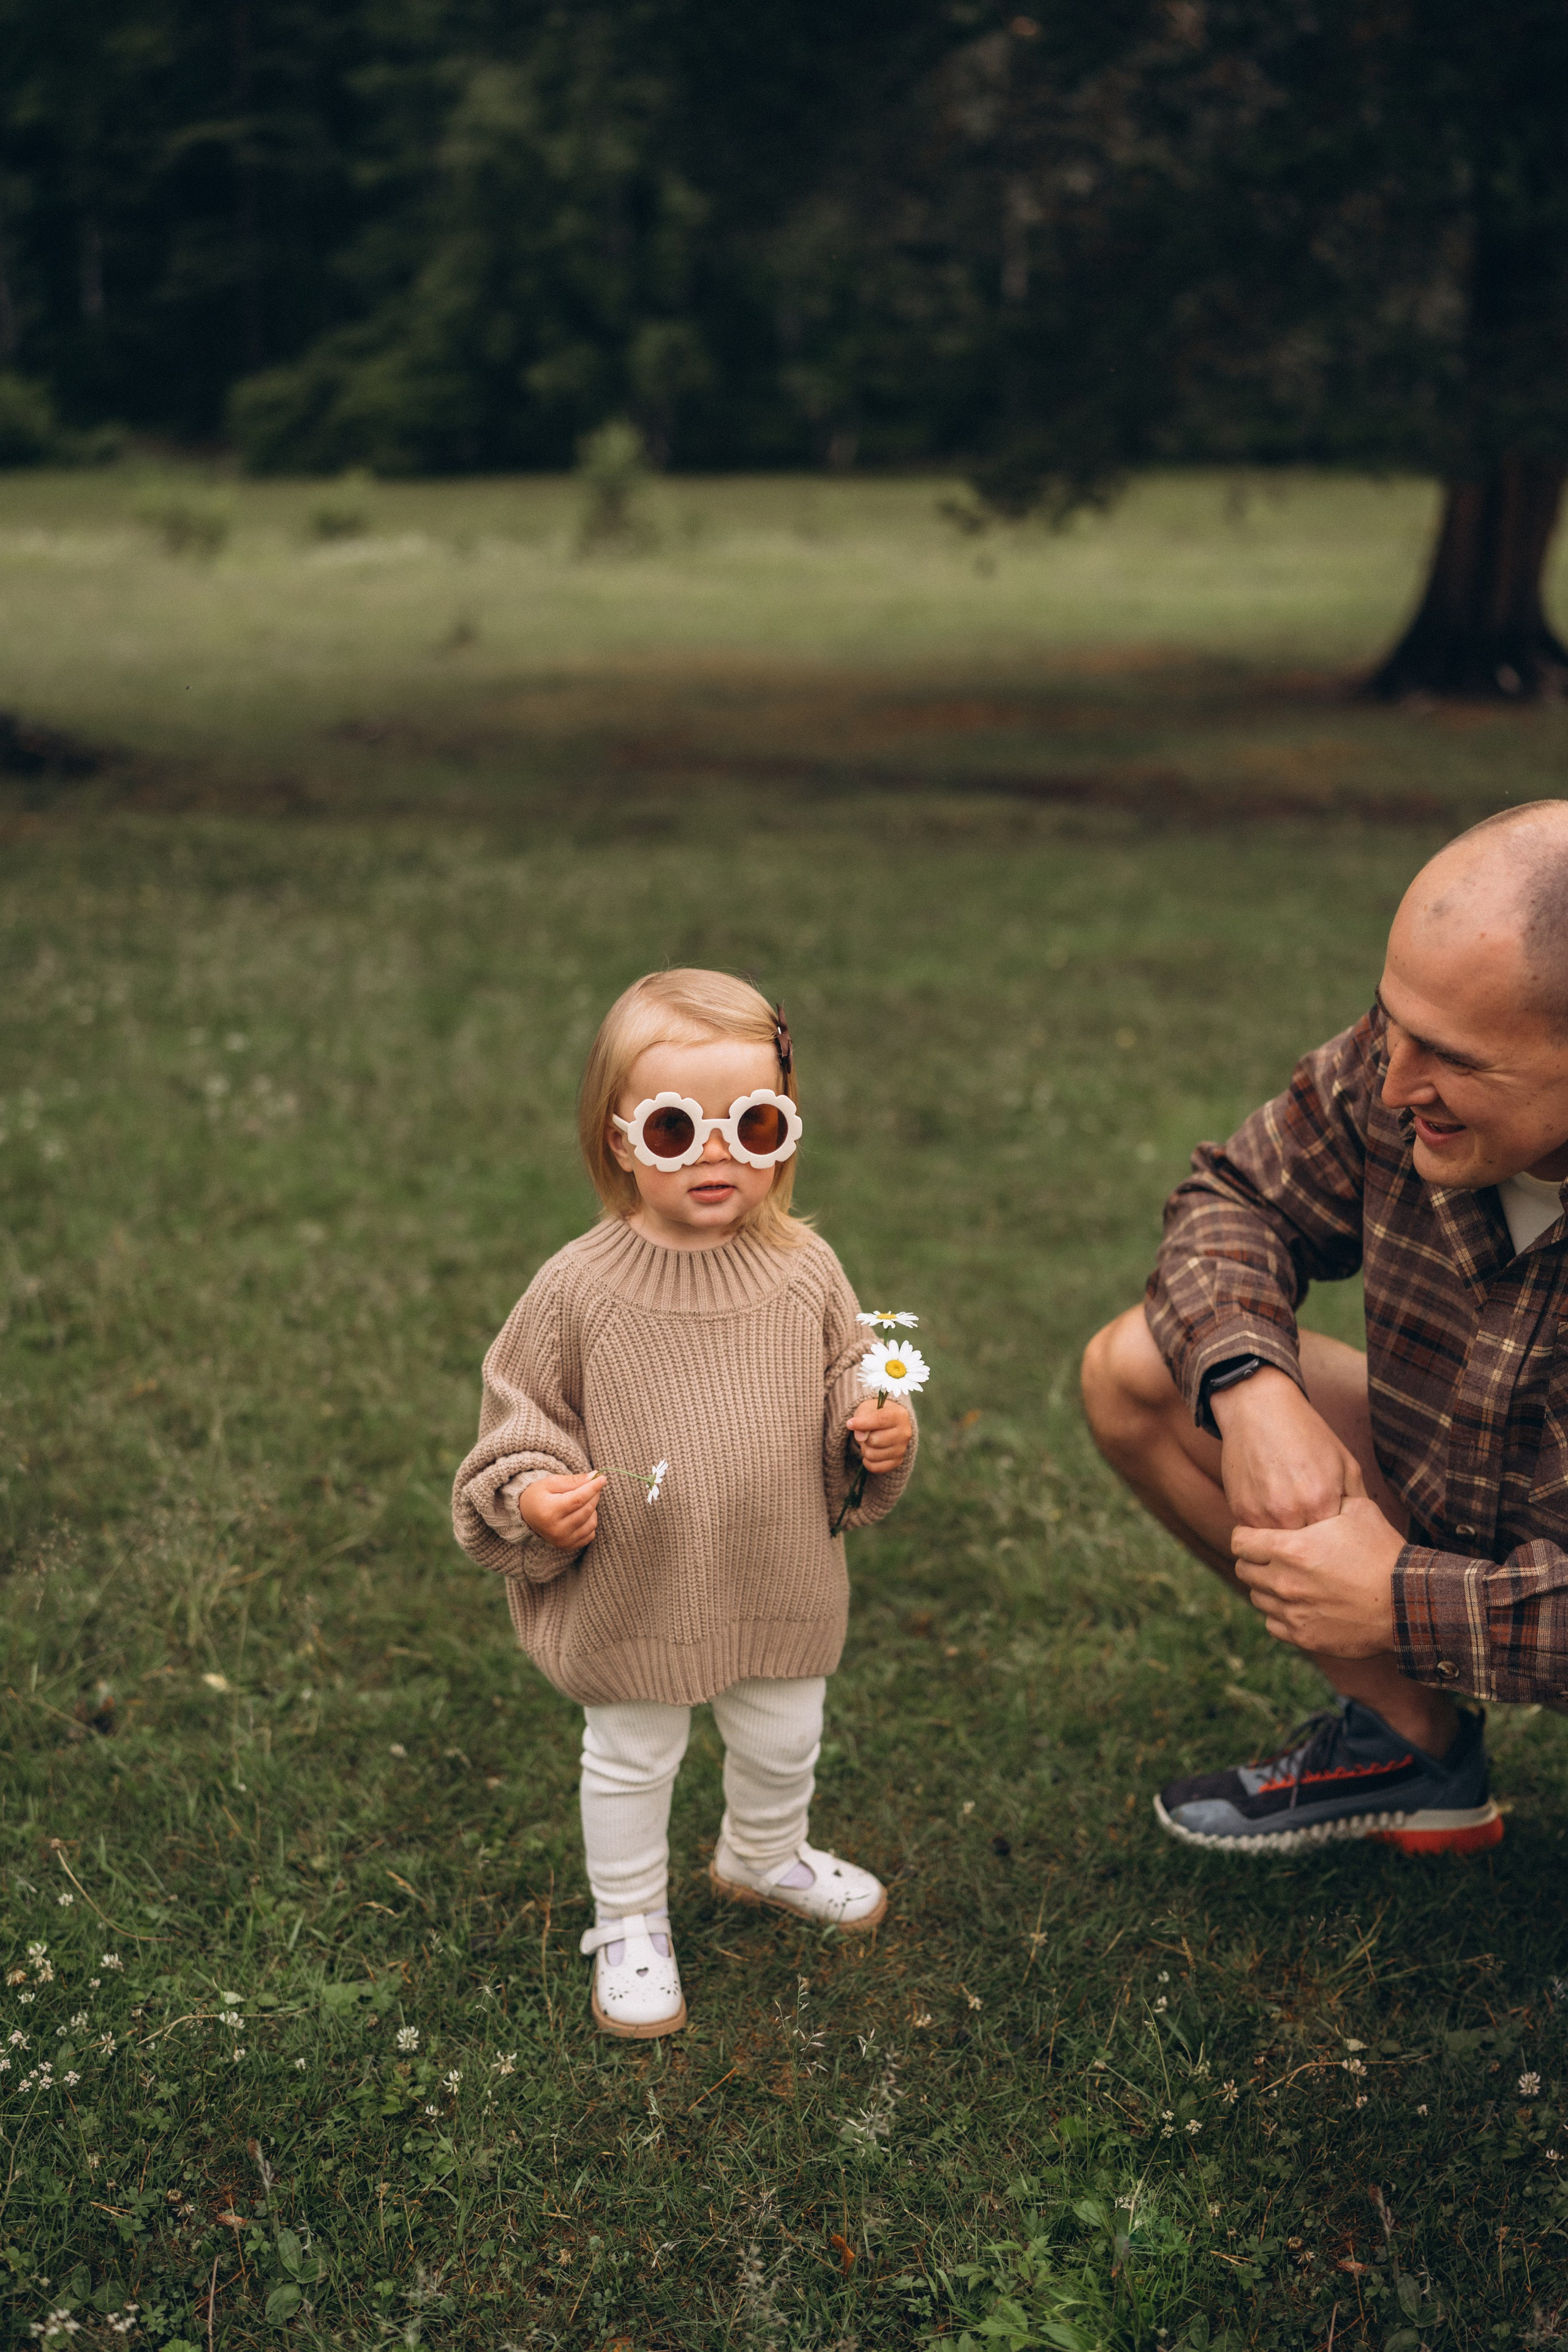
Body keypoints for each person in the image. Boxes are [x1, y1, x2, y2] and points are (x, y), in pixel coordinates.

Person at [1082, 801, 1568, 1855]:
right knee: (1147, 1373)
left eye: (1453, 1060)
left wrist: (1403, 1607)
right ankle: (1414, 1752)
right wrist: (1251, 1386)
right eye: (1392, 1020)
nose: (1394, 1085)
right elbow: (1231, 1201)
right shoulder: (1395, 1068)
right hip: (1465, 1511)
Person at [451, 969, 916, 2036]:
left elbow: (857, 1362)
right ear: (621, 1141)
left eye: (752, 1124)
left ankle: (760, 1853)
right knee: (631, 1753)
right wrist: (533, 1495)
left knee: (784, 1731)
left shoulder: (806, 1268)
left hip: (778, 1565)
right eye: (675, 1128)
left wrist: (876, 1419)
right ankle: (628, 1920)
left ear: (785, 1131)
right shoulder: (576, 1288)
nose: (718, 1155)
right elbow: (520, 1414)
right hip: (640, 1580)